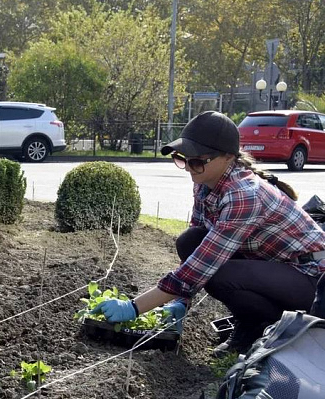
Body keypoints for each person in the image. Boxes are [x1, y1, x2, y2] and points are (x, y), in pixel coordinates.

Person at [93, 111, 325, 357]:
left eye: (197, 161)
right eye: (183, 159)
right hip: (275, 266)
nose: (188, 168)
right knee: (190, 240)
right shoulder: (205, 183)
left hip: (312, 278)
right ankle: (253, 322)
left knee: (220, 275)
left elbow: (202, 267)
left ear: (227, 157)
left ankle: (263, 327)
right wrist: (180, 302)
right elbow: (198, 244)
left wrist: (134, 307)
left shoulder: (244, 195)